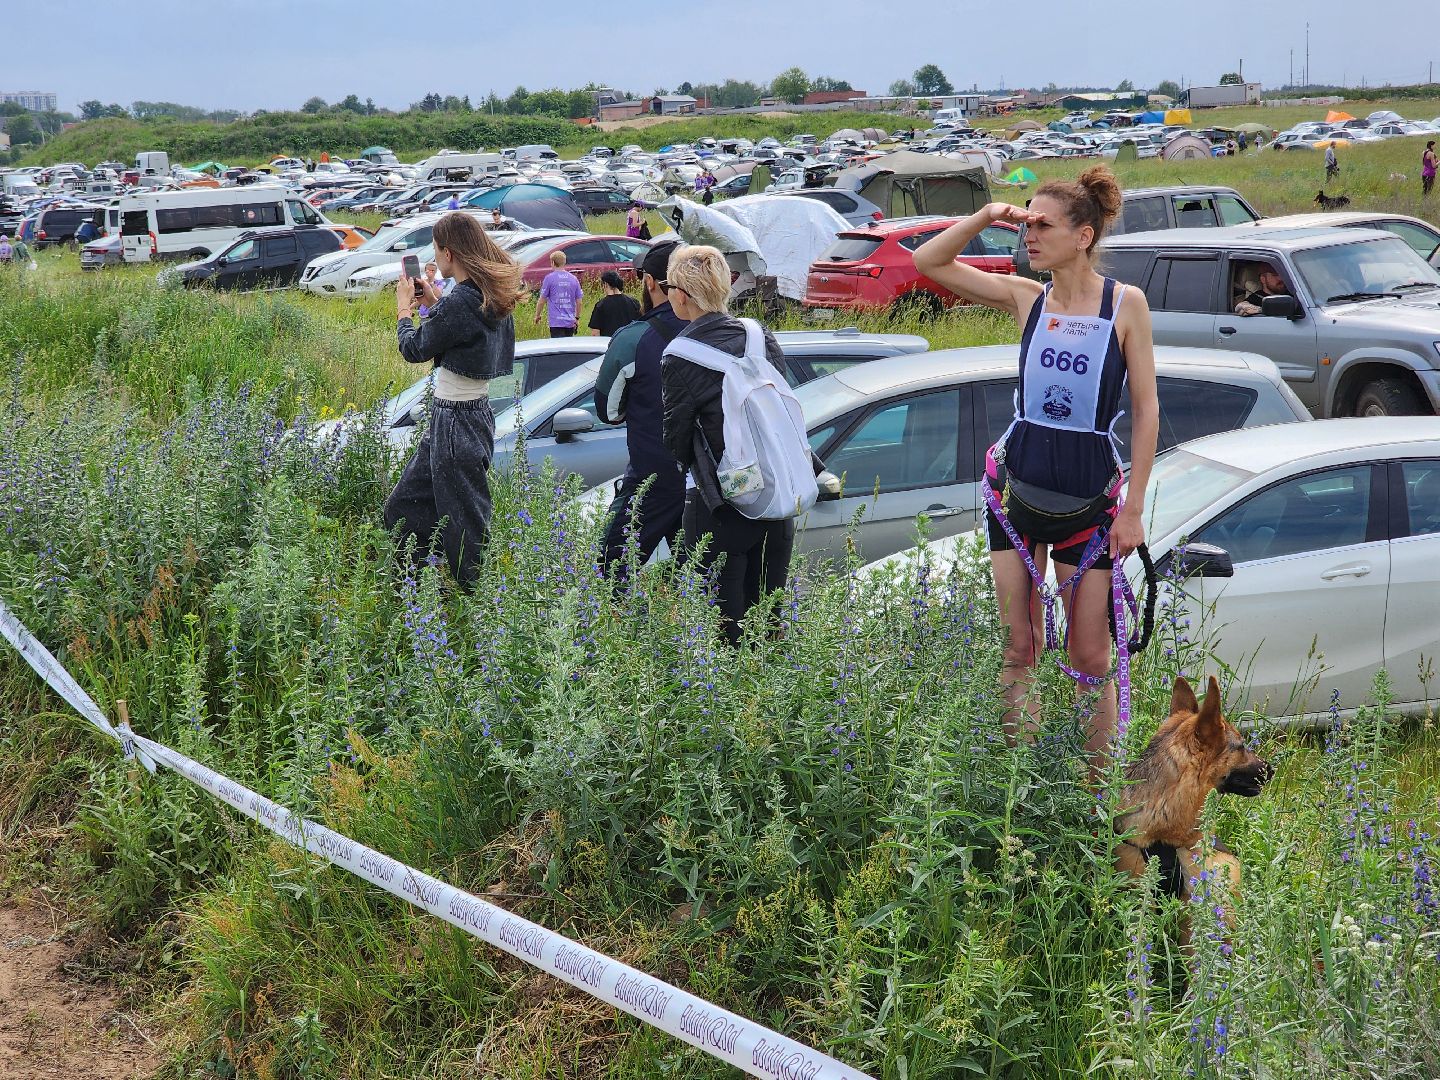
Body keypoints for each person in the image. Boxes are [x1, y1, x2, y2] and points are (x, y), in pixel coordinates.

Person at [911, 167, 1159, 769]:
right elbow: (928, 262)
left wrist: (1133, 511)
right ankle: (1019, 794)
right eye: (1026, 222)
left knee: (1091, 658)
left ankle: (1094, 798)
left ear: (1084, 235)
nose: (1029, 233)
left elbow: (1147, 408)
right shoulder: (1028, 297)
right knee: (1020, 650)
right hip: (1016, 493)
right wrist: (986, 216)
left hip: (1090, 503)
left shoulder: (1126, 305)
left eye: (1042, 224)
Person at [661, 245, 816, 646]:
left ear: (681, 293)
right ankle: (772, 701)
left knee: (723, 628)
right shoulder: (757, 335)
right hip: (775, 494)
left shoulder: (679, 355)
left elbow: (676, 436)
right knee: (769, 620)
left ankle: (732, 705)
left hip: (719, 504)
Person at [383, 212, 523, 590]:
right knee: (404, 507)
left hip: (456, 419)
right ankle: (417, 593)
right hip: (465, 414)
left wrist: (404, 309)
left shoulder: (464, 299)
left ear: (446, 252)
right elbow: (460, 330)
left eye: (434, 249)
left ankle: (475, 608)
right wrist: (434, 301)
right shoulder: (486, 292)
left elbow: (413, 349)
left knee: (466, 528)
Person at [594, 241, 688, 579]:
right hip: (711, 480)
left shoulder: (634, 338)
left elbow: (607, 411)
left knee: (606, 574)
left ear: (649, 281)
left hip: (653, 475)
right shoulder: (728, 331)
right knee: (704, 584)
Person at [534, 250, 582, 337]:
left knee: (558, 347)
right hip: (570, 321)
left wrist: (537, 315)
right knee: (568, 347)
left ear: (552, 262)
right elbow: (579, 301)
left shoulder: (549, 278)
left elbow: (542, 300)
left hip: (556, 322)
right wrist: (577, 318)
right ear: (564, 262)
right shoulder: (573, 279)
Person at [587, 270, 641, 336]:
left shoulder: (600, 305)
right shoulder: (634, 302)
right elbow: (640, 326)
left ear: (606, 284)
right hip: (631, 343)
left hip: (609, 344)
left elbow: (595, 333)